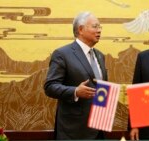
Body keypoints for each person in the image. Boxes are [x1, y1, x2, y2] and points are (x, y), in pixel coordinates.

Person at [44, 12, 108, 140]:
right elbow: (50, 86)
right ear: (80, 29)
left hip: (98, 128)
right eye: (95, 26)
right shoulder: (62, 54)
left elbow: (101, 87)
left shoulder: (100, 56)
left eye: (100, 27)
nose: (99, 30)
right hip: (73, 130)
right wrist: (75, 91)